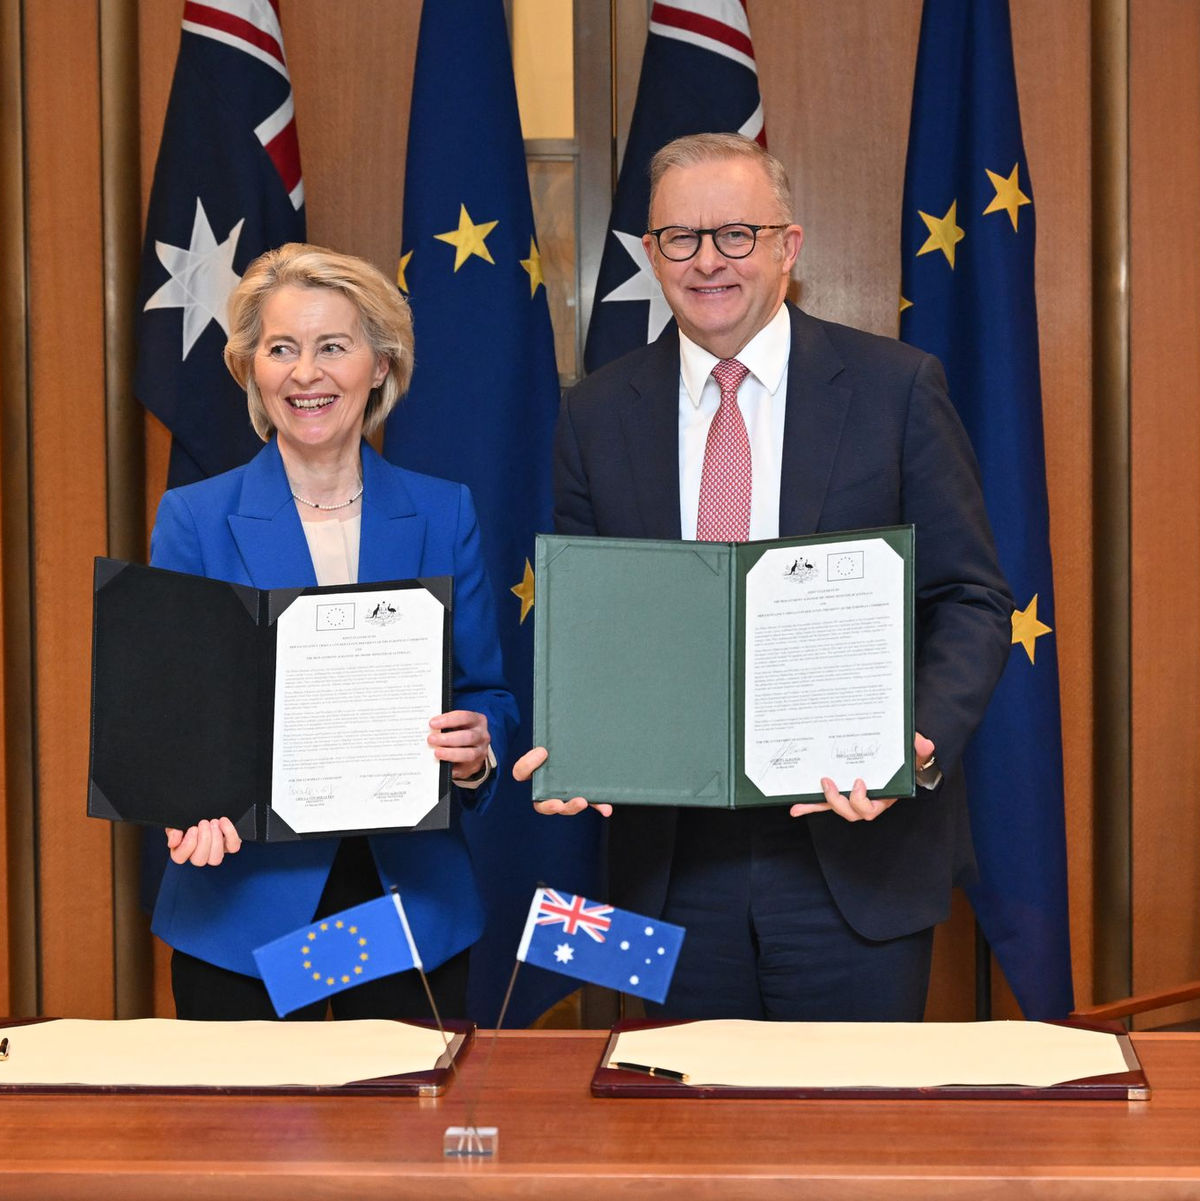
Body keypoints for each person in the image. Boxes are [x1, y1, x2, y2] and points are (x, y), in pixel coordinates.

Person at [514, 133, 1012, 1022]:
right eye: (680, 238)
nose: (709, 261)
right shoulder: (595, 413)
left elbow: (969, 597)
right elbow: (594, 615)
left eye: (737, 234)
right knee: (669, 1133)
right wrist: (580, 738)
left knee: (847, 1136)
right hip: (665, 869)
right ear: (648, 254)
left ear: (790, 246)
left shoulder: (897, 388)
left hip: (857, 859)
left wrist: (917, 739)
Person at [150, 243, 518, 1021]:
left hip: (410, 913)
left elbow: (487, 690)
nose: (305, 374)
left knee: (402, 1142)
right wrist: (184, 800)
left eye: (332, 347)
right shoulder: (194, 517)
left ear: (379, 366)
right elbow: (168, 720)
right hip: (241, 915)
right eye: (280, 349)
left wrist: (479, 746)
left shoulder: (444, 511)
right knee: (245, 1144)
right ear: (253, 368)